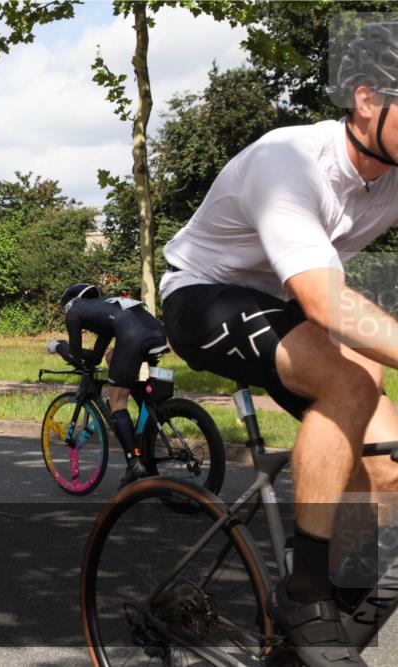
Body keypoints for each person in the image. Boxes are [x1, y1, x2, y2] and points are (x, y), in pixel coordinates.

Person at [159, 22, 398, 667]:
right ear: (368, 101)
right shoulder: (289, 160)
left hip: (282, 304)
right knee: (350, 380)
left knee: (389, 460)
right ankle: (305, 592)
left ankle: (302, 643)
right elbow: (327, 304)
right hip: (203, 296)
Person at [52, 283, 169, 487]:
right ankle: (144, 438)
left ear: (70, 303)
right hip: (156, 331)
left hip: (133, 334)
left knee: (116, 399)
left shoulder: (75, 311)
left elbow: (76, 357)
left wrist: (58, 346)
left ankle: (134, 462)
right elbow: (96, 357)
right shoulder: (105, 308)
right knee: (112, 357)